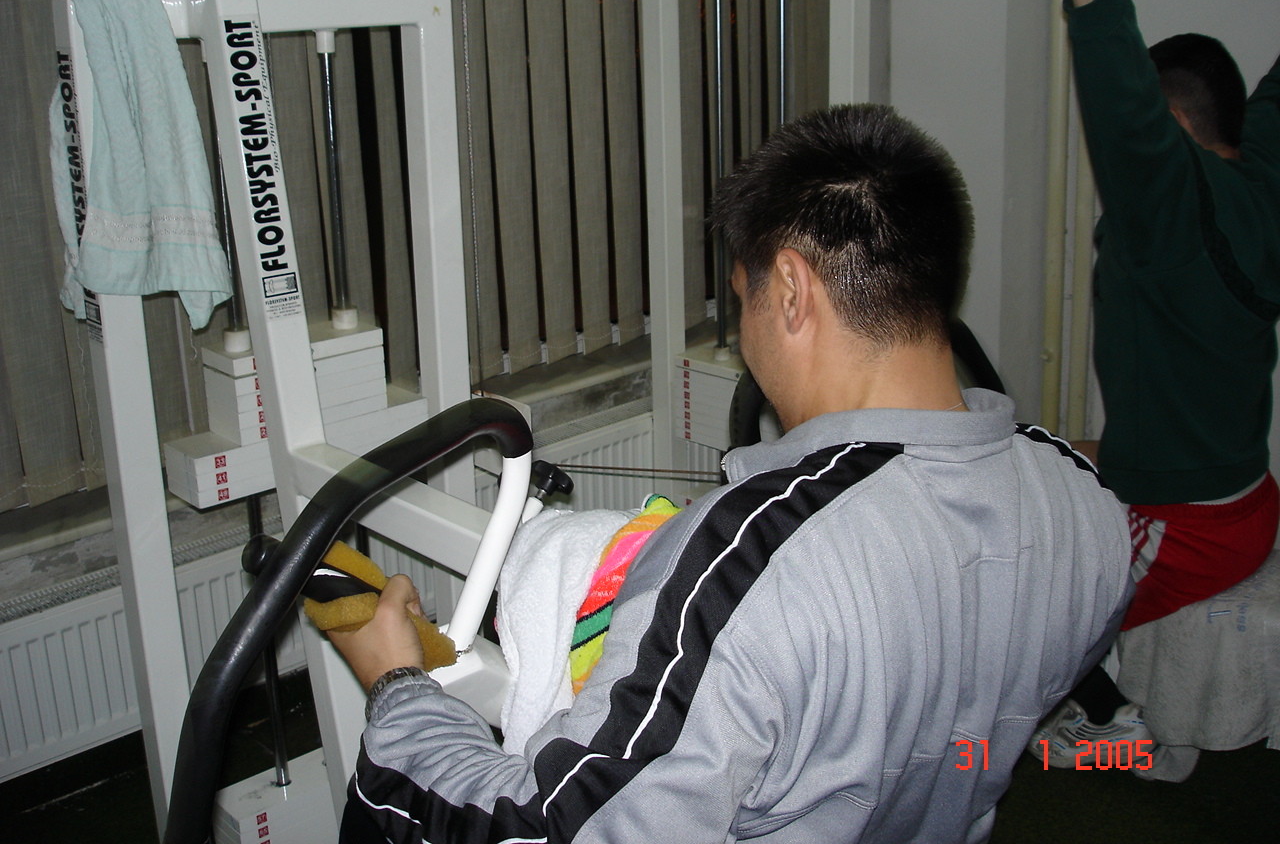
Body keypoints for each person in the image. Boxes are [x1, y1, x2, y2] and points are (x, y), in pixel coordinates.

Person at [327, 104, 1132, 842]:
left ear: (791, 291)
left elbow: (542, 831)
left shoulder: (742, 573)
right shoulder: (1087, 505)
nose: (747, 333)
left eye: (745, 298)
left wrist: (398, 686)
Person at [1020, 0, 1280, 766]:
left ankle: (1125, 733)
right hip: (1237, 494)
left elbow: (1120, 94)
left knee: (1035, 612)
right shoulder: (1261, 180)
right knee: (1047, 471)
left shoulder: (1171, 220)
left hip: (1188, 527)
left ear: (1174, 128)